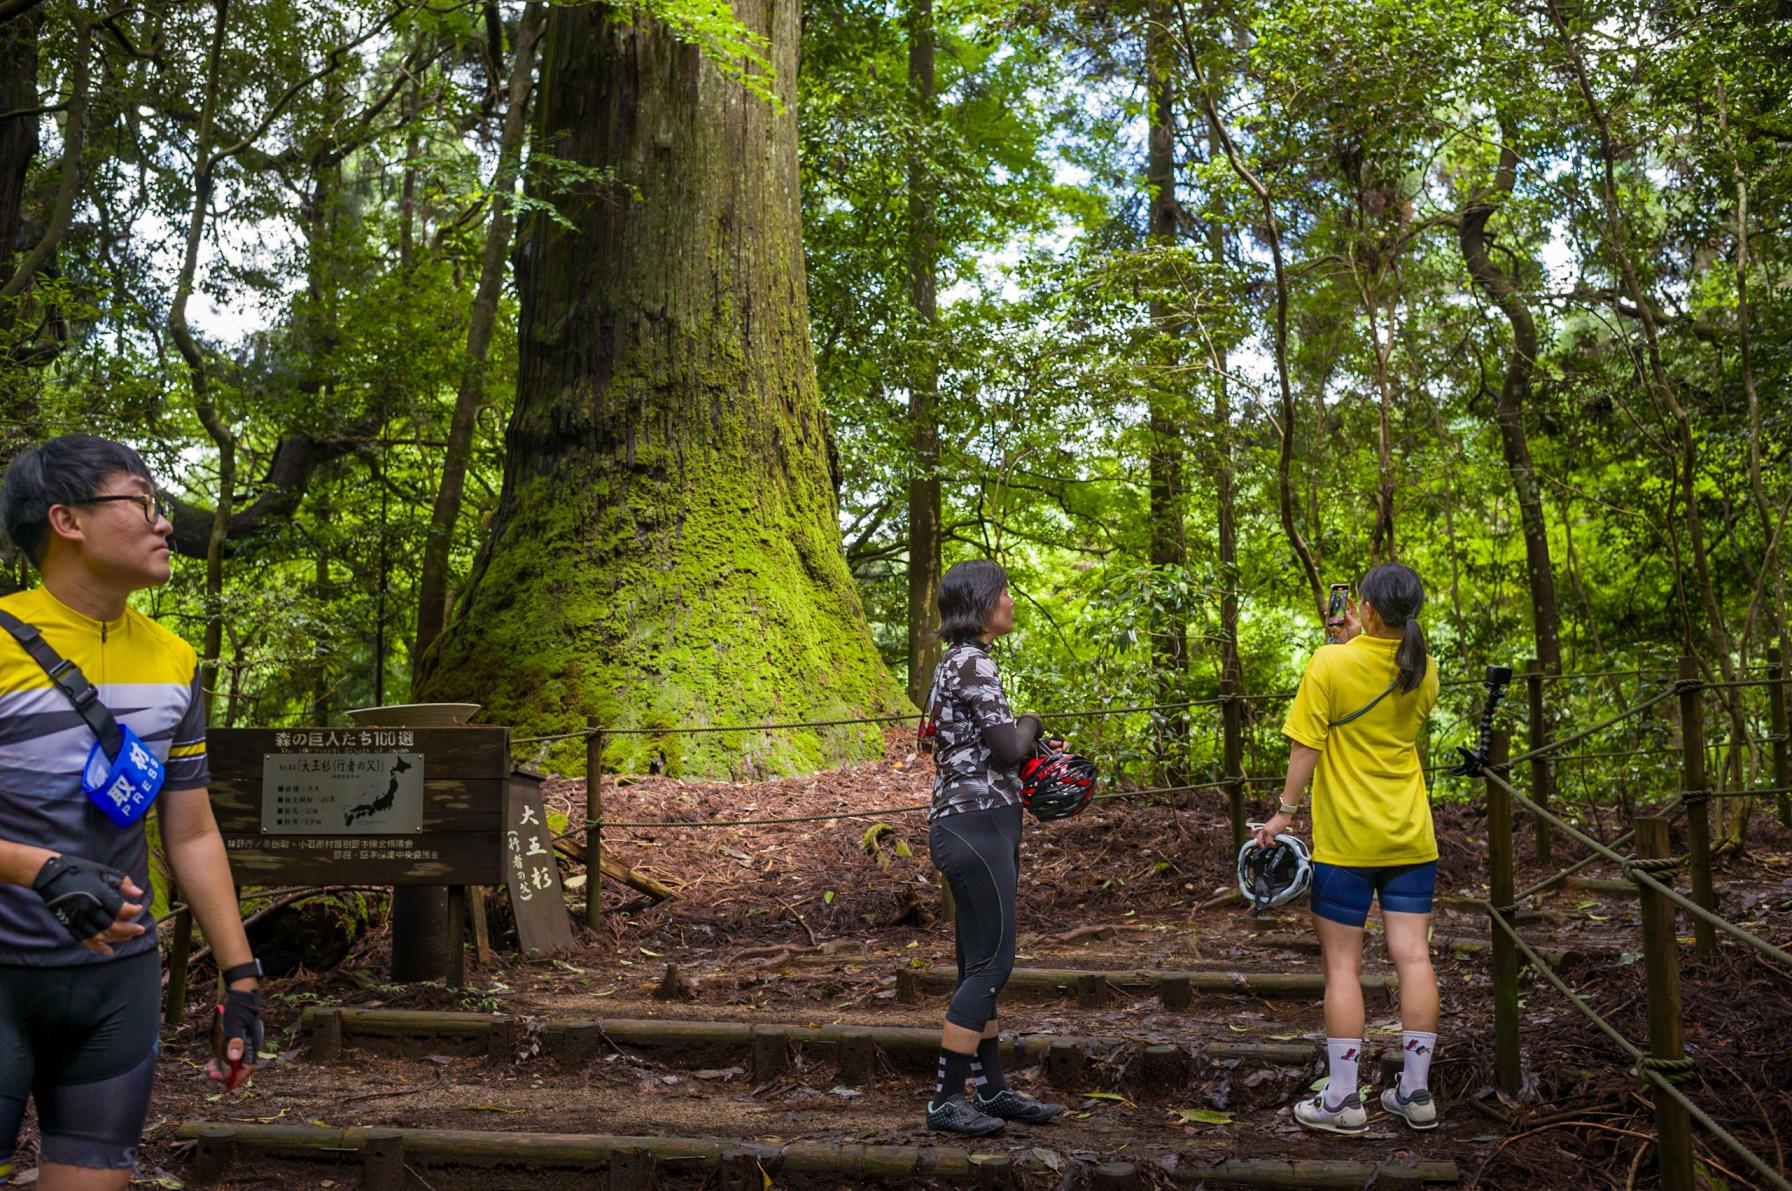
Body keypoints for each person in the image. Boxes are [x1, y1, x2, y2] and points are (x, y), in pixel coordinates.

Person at [0, 435, 265, 1190]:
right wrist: (38, 868)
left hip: (117, 985)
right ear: (66, 519)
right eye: (142, 501)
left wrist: (240, 975)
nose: (163, 522)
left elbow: (191, 829)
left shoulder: (176, 660)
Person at [1254, 563, 1442, 1135]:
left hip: (1347, 842)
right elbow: (1389, 697)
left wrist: (1284, 813)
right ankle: (1415, 1092)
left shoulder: (1329, 661)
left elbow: (1307, 747)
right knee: (1414, 958)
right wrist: (1358, 642)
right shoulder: (1424, 668)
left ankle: (1342, 1099)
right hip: (1411, 835)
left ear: (1366, 610)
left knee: (1343, 967)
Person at [921, 559, 1065, 1136]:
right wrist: (1031, 720)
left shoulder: (956, 663)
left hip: (978, 823)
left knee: (976, 964)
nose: (1010, 600)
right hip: (976, 825)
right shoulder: (973, 663)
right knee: (993, 964)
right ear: (981, 602)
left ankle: (994, 1090)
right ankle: (946, 1098)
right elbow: (1007, 749)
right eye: (1004, 592)